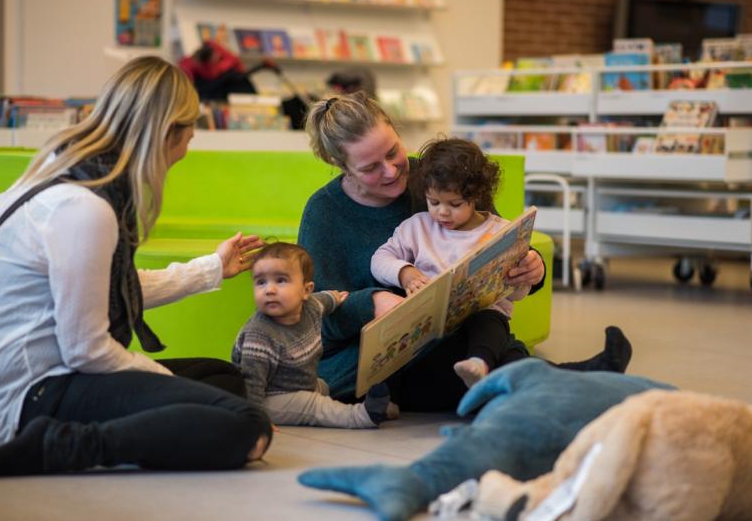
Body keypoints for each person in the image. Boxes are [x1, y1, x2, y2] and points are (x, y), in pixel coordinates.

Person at [0, 56, 272, 479]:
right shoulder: (85, 209)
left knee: (223, 379)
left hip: (5, 381)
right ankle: (61, 446)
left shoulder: (57, 178)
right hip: (29, 396)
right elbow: (85, 349)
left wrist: (211, 268)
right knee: (248, 425)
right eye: (189, 132)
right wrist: (158, 377)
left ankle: (137, 426)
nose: (189, 144)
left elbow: (104, 287)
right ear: (164, 133)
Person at [298, 92, 631, 411]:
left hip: (462, 331)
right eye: (370, 168)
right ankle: (579, 381)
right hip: (375, 355)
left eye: (392, 152)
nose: (391, 170)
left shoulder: (438, 176)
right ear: (341, 166)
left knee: (486, 339)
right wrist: (370, 303)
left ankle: (573, 383)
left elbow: (493, 243)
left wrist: (532, 267)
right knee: (466, 359)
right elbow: (314, 318)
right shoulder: (324, 213)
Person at [370, 137, 534, 388]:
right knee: (515, 366)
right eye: (433, 202)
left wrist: (521, 279)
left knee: (490, 322)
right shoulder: (418, 227)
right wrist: (406, 273)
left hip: (484, 327)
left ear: (477, 195)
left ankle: (478, 366)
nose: (442, 212)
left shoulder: (500, 232)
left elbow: (518, 293)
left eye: (454, 204)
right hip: (431, 329)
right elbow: (379, 259)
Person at [232, 243, 396, 428]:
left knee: (323, 387)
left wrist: (336, 297)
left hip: (302, 384)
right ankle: (363, 416)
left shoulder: (311, 307)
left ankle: (365, 408)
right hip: (269, 398)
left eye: (280, 280)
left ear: (306, 290)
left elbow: (324, 301)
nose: (269, 290)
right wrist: (255, 418)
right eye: (260, 282)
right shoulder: (259, 335)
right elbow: (251, 384)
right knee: (314, 406)